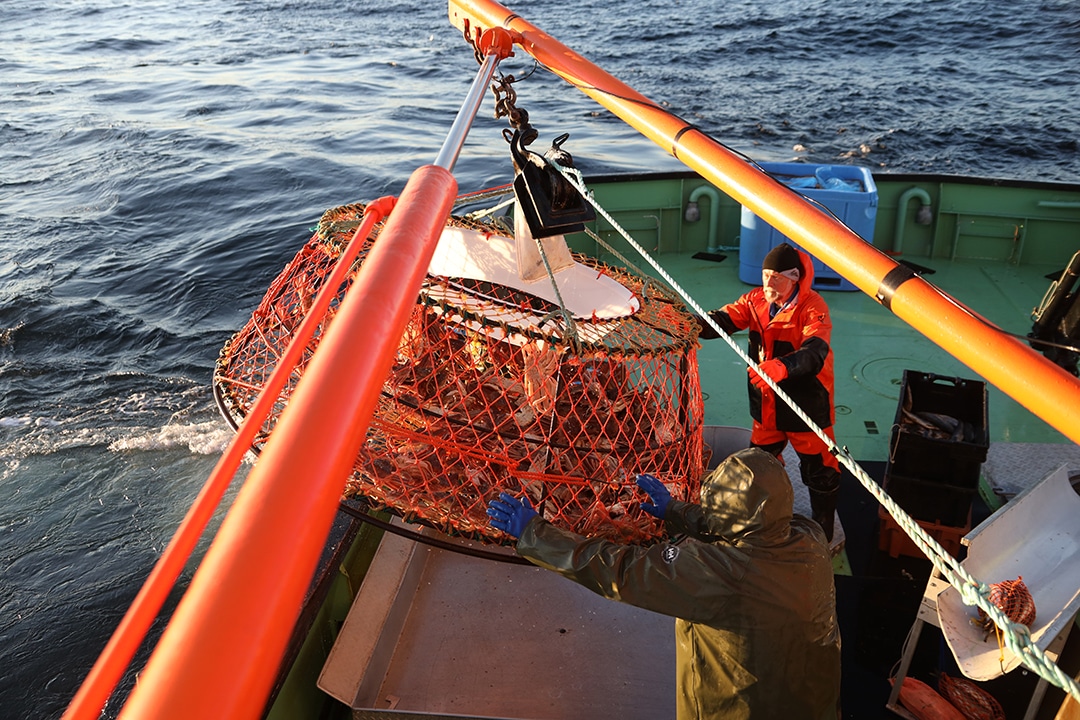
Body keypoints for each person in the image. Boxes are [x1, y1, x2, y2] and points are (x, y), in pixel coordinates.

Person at [486, 448, 842, 720]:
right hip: (814, 703)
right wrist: (675, 510)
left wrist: (536, 534)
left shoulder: (720, 573)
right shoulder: (806, 535)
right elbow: (753, 526)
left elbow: (621, 569)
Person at [698, 242, 841, 541]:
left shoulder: (814, 308)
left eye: (777, 278)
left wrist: (782, 368)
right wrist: (688, 324)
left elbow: (815, 352)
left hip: (805, 405)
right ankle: (764, 518)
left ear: (795, 279)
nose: (769, 285)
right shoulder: (754, 301)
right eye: (765, 276)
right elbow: (722, 321)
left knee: (820, 471)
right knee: (760, 463)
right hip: (767, 406)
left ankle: (822, 530)